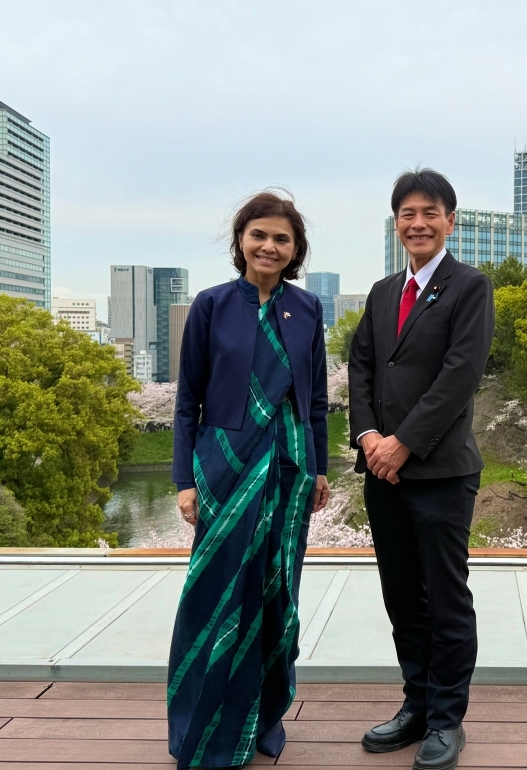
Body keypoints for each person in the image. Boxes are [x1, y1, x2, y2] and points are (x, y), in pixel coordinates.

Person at [167, 191, 330, 769]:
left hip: (289, 467)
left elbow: (316, 402)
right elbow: (186, 401)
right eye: (259, 234)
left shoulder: (307, 308)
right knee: (216, 593)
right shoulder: (211, 305)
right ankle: (203, 730)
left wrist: (319, 468)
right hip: (225, 465)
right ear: (241, 240)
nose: (269, 246)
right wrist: (184, 479)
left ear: (295, 249)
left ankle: (261, 720)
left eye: (282, 238)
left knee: (276, 591)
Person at [349, 168, 494, 770]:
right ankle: (416, 703)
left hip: (440, 472)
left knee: (445, 597)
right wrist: (369, 438)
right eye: (407, 214)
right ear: (396, 224)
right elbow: (361, 367)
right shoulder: (383, 292)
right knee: (402, 596)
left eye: (430, 213)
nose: (418, 223)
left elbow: (460, 375)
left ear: (449, 222)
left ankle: (446, 719)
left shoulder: (470, 287)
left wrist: (404, 443)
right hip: (383, 473)